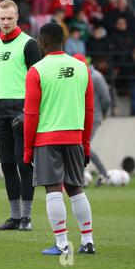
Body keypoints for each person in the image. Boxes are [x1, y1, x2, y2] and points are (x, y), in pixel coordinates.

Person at [24, 22, 95, 255]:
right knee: (76, 188)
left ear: (41, 43)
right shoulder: (82, 67)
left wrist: (27, 150)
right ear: (63, 41)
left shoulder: (36, 70)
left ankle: (63, 244)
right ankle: (87, 241)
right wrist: (85, 145)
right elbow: (89, 111)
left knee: (54, 189)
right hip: (74, 137)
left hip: (46, 139)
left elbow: (31, 114)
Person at [0, 0, 41, 231]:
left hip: (22, 112)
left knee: (25, 165)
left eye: (9, 18)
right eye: (2, 18)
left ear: (17, 17)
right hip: (0, 113)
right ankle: (14, 218)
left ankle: (26, 218)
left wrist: (28, 112)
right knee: (7, 165)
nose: (5, 22)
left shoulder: (29, 44)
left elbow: (39, 82)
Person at [73, 53, 111, 187]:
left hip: (94, 116)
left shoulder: (96, 77)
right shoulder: (80, 75)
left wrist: (104, 114)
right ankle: (91, 176)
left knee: (82, 146)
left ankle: (102, 174)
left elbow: (106, 99)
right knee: (81, 146)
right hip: (81, 117)